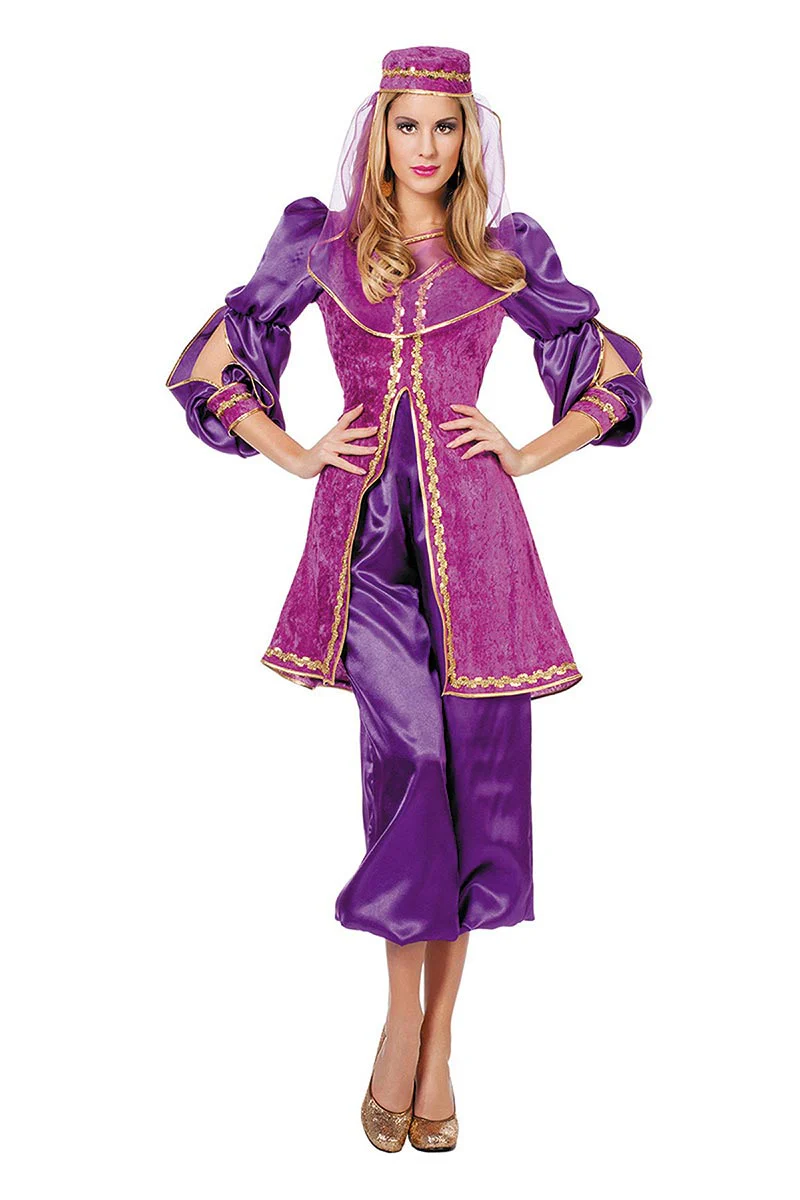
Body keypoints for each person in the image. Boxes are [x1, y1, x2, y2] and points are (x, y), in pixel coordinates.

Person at [165, 44, 652, 1153]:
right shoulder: (323, 245)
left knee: (474, 788)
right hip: (367, 551)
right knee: (413, 772)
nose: (425, 146)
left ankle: (438, 1047)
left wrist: (526, 452)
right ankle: (398, 1022)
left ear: (467, 139)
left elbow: (606, 369)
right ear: (379, 131)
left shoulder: (504, 254)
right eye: (407, 124)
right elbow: (217, 357)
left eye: (444, 127)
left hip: (482, 550)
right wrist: (294, 451)